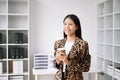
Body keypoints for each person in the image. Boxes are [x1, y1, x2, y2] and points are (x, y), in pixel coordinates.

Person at [53, 14, 91, 80]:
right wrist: (57, 61)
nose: (67, 27)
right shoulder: (58, 43)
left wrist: (67, 61)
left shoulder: (83, 44)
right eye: (65, 24)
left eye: (70, 24)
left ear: (76, 27)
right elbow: (57, 65)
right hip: (59, 78)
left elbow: (86, 67)